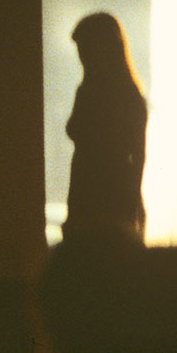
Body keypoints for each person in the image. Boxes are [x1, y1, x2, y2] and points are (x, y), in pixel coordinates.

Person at [63, 12, 148, 241]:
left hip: (98, 191)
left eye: (85, 50)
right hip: (104, 190)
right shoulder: (127, 95)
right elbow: (138, 154)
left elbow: (138, 153)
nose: (82, 58)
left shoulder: (93, 92)